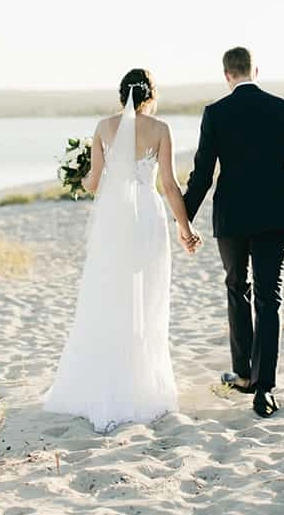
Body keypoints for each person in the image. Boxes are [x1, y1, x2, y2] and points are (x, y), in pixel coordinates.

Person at [41, 68, 199, 432]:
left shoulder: (103, 127)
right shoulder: (161, 129)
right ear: (151, 95)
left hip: (114, 221)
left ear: (121, 95)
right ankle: (142, 383)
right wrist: (185, 229)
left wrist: (77, 175)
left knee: (109, 294)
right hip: (147, 216)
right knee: (147, 297)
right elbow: (171, 186)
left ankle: (106, 379)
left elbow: (94, 183)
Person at [182, 47, 284, 418]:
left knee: (237, 288)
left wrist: (184, 219)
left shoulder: (215, 113)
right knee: (270, 299)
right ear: (255, 70)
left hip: (232, 219)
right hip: (276, 217)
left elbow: (202, 175)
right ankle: (266, 389)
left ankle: (244, 375)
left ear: (226, 75)